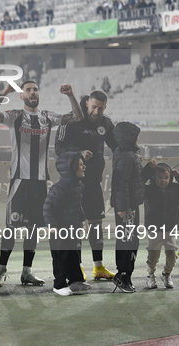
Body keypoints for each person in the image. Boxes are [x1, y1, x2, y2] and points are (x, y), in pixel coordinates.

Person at [0, 80, 84, 287]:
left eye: (35, 89)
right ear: (21, 96)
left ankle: (27, 272)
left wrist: (70, 94)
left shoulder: (47, 117)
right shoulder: (14, 116)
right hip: (19, 182)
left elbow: (78, 117)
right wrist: (4, 91)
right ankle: (1, 270)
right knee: (11, 227)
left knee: (33, 228)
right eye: (28, 90)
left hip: (41, 182)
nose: (32, 92)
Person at [55, 90, 117, 281]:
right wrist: (79, 153)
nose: (96, 111)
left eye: (100, 108)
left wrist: (131, 153)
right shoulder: (72, 120)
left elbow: (116, 146)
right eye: (94, 107)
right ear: (87, 103)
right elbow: (59, 149)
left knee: (96, 224)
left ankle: (98, 267)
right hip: (73, 183)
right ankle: (77, 267)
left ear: (105, 107)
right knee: (76, 226)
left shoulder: (106, 123)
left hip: (94, 183)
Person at [44, 152, 92, 296]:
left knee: (74, 255)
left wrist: (80, 221)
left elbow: (78, 205)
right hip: (59, 229)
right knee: (61, 256)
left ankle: (75, 281)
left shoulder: (79, 185)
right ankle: (59, 285)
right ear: (70, 167)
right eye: (80, 164)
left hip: (72, 228)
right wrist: (51, 225)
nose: (84, 167)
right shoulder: (59, 188)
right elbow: (48, 207)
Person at [142, 160, 179, 289]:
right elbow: (138, 182)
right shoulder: (148, 189)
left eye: (166, 177)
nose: (163, 180)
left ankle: (167, 273)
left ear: (170, 177)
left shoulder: (176, 189)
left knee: (172, 253)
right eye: (160, 177)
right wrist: (149, 169)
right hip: (154, 227)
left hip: (170, 227)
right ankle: (150, 274)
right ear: (154, 177)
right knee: (153, 253)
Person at [111, 122, 144, 293]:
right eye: (135, 135)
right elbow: (120, 183)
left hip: (131, 206)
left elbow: (135, 180)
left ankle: (124, 274)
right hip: (127, 208)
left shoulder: (128, 155)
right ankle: (124, 277)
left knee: (131, 241)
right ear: (129, 138)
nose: (138, 138)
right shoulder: (125, 156)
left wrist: (148, 168)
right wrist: (122, 207)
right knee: (127, 242)